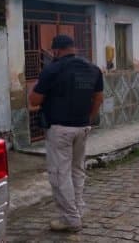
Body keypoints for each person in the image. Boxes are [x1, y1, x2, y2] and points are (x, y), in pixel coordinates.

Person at [29, 35, 104, 232]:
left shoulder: (52, 69)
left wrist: (37, 87)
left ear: (56, 50)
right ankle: (78, 210)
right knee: (77, 170)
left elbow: (34, 100)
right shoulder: (93, 69)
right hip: (82, 127)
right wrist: (89, 119)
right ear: (73, 48)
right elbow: (98, 98)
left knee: (60, 174)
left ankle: (70, 219)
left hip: (59, 129)